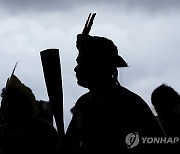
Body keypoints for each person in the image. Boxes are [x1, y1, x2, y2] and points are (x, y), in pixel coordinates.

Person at [65, 13, 165, 154]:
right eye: (78, 62)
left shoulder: (130, 104)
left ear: (101, 67)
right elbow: (70, 142)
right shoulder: (83, 103)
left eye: (84, 63)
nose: (77, 68)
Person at [0, 73, 60, 154]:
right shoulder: (3, 131)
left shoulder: (44, 131)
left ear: (22, 107)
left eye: (8, 105)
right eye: (3, 106)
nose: (3, 110)